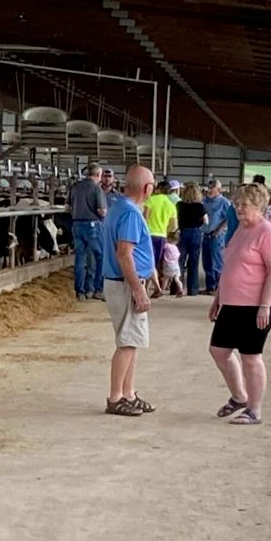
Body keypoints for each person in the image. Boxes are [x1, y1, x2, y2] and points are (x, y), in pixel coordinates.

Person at [208, 183, 271, 425]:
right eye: (237, 204)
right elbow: (229, 268)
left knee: (250, 356)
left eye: (245, 205)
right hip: (232, 303)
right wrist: (218, 299)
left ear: (259, 206)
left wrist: (264, 306)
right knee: (218, 350)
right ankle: (239, 397)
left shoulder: (267, 232)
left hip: (256, 305)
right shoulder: (241, 229)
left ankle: (254, 409)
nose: (239, 209)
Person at [102, 165, 157, 417]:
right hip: (125, 284)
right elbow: (125, 254)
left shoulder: (118, 207)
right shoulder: (132, 214)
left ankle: (129, 393)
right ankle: (115, 397)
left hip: (118, 282)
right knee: (127, 342)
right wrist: (138, 290)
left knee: (132, 341)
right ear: (147, 188)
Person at [68, 164, 107, 301]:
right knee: (101, 256)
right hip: (92, 225)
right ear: (98, 175)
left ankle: (80, 291)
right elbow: (102, 210)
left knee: (80, 258)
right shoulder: (97, 188)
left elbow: (68, 207)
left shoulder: (75, 186)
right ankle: (98, 289)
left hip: (76, 224)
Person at [143, 180, 177, 297]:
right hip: (162, 236)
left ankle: (153, 288)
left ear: (157, 189)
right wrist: (166, 231)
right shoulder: (171, 205)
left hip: (149, 235)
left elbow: (145, 218)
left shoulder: (151, 200)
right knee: (154, 263)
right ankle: (148, 288)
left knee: (148, 263)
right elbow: (174, 226)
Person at [176, 180, 208, 296]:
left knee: (179, 260)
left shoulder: (179, 205)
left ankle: (177, 287)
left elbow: (176, 218)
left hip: (182, 232)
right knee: (193, 262)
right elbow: (206, 221)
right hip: (196, 232)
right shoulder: (200, 206)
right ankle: (192, 289)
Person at [202, 179, 231, 295]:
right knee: (207, 261)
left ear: (218, 189)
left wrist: (218, 230)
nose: (209, 189)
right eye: (209, 187)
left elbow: (228, 218)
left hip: (217, 235)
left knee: (217, 261)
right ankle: (210, 286)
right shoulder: (204, 201)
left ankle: (219, 287)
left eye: (212, 188)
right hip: (205, 233)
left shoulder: (224, 202)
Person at [160, 232, 184, 296]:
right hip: (176, 265)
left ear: (169, 239)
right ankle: (181, 290)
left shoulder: (167, 245)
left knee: (165, 279)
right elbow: (178, 255)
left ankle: (162, 290)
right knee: (177, 279)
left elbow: (162, 249)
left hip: (168, 265)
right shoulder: (176, 247)